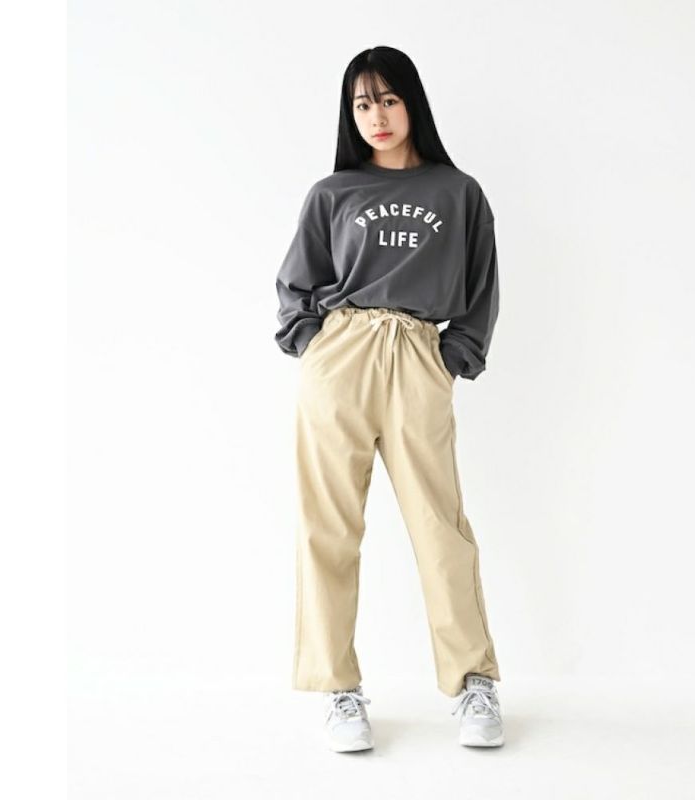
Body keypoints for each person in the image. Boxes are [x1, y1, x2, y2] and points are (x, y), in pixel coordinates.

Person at [274, 46, 503, 752]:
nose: (376, 115)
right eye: (362, 103)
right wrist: (315, 344)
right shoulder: (332, 193)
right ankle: (337, 689)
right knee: (328, 527)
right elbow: (295, 285)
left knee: (441, 526)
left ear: (413, 103)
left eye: (389, 99)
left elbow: (482, 286)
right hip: (340, 357)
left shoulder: (457, 192)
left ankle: (473, 681)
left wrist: (453, 358)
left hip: (417, 356)